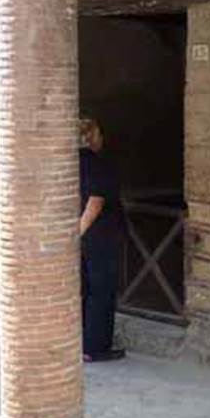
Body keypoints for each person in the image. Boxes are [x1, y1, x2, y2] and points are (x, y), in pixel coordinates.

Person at [79, 118, 126, 362]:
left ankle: (82, 340)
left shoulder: (69, 162)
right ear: (92, 138)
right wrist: (79, 232)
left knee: (85, 289)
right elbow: (96, 201)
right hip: (99, 237)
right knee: (101, 290)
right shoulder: (100, 165)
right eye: (99, 134)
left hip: (81, 237)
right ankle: (95, 347)